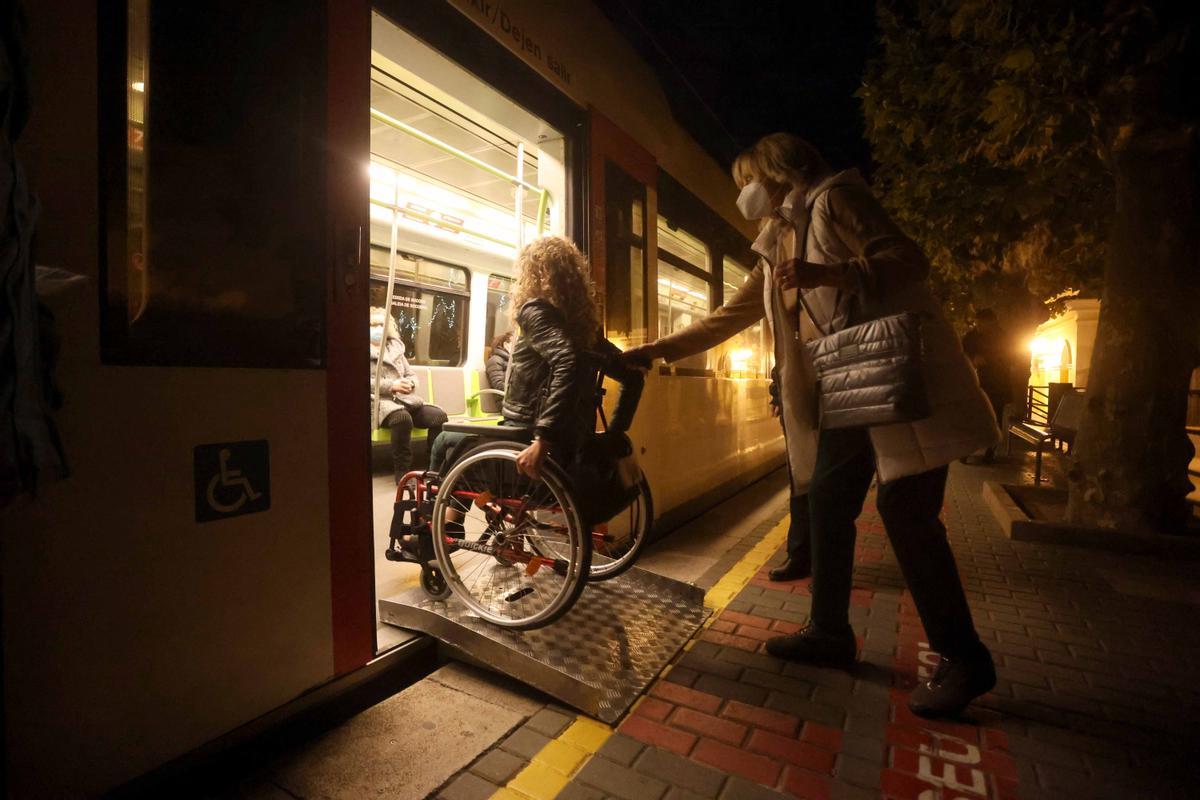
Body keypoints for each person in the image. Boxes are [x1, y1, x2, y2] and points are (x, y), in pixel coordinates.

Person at [625, 133, 1000, 718]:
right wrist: (652, 350)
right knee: (825, 501)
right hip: (853, 390)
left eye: (748, 178)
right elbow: (729, 317)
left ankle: (965, 658)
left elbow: (907, 258)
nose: (745, 192)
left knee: (908, 516)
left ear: (778, 172)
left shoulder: (835, 199)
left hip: (903, 387)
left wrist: (833, 273)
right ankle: (829, 632)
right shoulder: (776, 243)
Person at [429, 237, 643, 482]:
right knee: (466, 448)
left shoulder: (535, 312)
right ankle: (451, 514)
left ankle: (437, 516)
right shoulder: (583, 326)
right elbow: (633, 376)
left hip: (524, 436)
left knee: (444, 441)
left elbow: (566, 361)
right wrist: (615, 434)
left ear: (536, 273)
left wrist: (543, 438)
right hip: (572, 446)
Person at [370, 307, 448, 483]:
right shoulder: (359, 350)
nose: (378, 329)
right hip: (379, 402)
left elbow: (411, 374)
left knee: (438, 417)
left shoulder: (396, 348)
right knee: (402, 419)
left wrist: (410, 383)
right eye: (373, 325)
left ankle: (433, 468)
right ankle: (403, 473)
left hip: (405, 399)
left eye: (381, 325)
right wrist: (392, 386)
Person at [961, 308, 1012, 462]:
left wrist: (988, 360)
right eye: (978, 323)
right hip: (975, 383)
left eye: (982, 323)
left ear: (991, 322)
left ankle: (990, 450)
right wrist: (973, 358)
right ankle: (967, 450)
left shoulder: (1002, 337)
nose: (980, 326)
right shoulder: (971, 337)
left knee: (994, 417)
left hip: (996, 384)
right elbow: (962, 352)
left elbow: (1008, 357)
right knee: (974, 416)